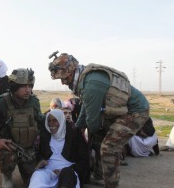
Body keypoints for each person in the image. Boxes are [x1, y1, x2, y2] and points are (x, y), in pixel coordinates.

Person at [48, 52, 150, 188]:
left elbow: (93, 123)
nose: (63, 82)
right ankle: (99, 175)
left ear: (70, 72)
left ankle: (111, 184)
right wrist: (78, 127)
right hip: (123, 110)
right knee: (96, 137)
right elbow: (85, 105)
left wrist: (82, 133)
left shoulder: (91, 85)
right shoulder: (85, 79)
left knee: (108, 148)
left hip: (136, 112)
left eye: (64, 79)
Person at [0, 68, 45, 188]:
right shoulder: (1, 102)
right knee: (7, 158)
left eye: (30, 86)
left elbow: (40, 122)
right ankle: (7, 175)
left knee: (33, 182)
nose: (28, 90)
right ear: (14, 86)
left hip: (27, 149)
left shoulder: (34, 102)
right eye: (23, 86)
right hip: (9, 148)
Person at [28, 109, 89, 188]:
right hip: (49, 170)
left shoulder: (74, 134)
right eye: (49, 121)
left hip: (69, 170)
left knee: (66, 175)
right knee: (37, 175)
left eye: (54, 120)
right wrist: (41, 160)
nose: (51, 124)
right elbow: (40, 153)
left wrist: (67, 169)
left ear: (61, 121)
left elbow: (83, 159)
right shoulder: (45, 135)